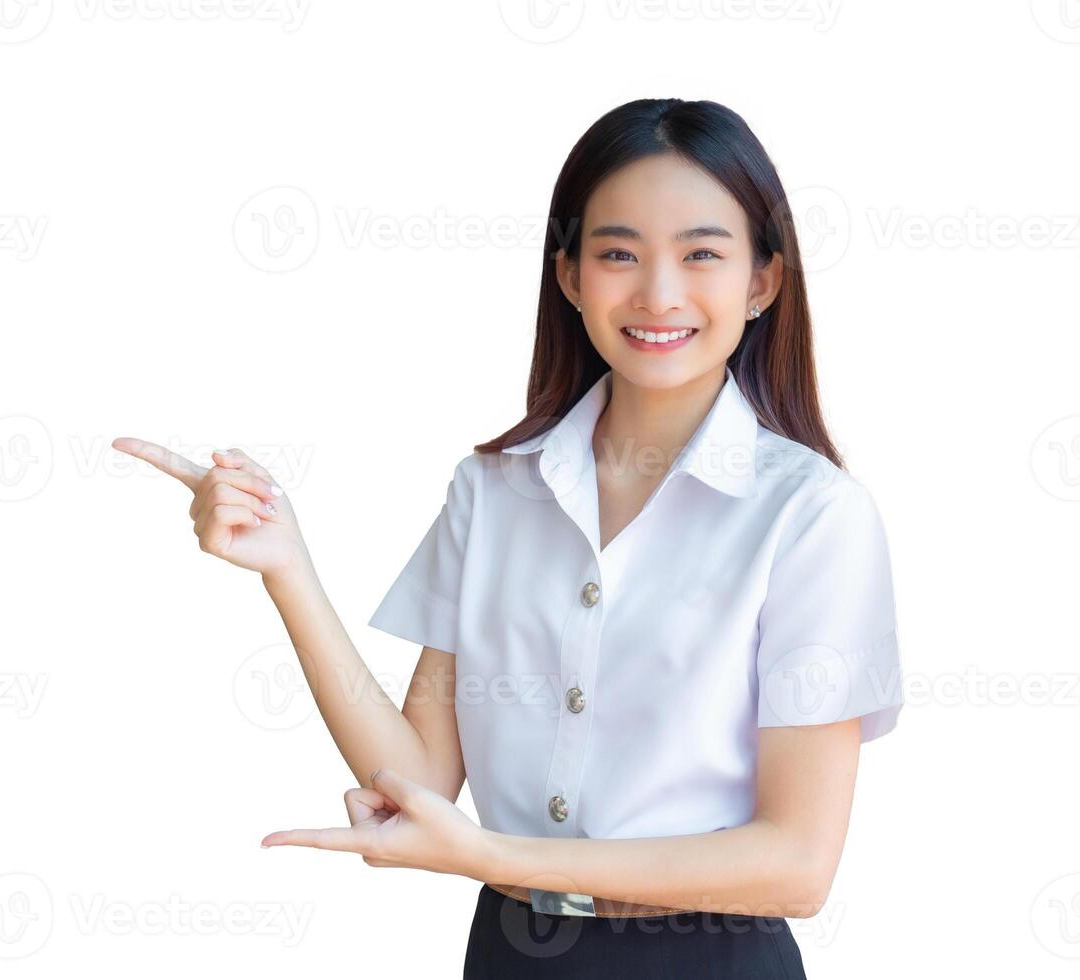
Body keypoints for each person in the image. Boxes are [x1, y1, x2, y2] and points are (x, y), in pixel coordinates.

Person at [112, 97, 903, 979]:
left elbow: (796, 867)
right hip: (512, 953)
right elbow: (415, 774)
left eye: (703, 254)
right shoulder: (492, 491)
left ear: (762, 282)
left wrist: (497, 859)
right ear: (568, 276)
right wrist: (287, 568)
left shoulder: (813, 516)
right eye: (617, 254)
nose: (659, 293)